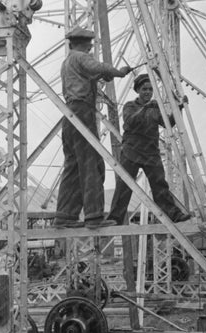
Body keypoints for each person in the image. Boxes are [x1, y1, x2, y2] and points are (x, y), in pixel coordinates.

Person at [53, 26, 131, 228]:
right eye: (89, 44)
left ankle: (65, 216)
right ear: (84, 44)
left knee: (73, 166)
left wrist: (100, 77)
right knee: (91, 163)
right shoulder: (80, 57)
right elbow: (98, 68)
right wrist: (118, 72)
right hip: (82, 112)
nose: (90, 48)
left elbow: (88, 76)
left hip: (70, 114)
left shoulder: (68, 62)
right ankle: (94, 216)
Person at [107, 74, 191, 225]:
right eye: (144, 89)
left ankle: (174, 214)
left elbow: (168, 123)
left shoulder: (154, 108)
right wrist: (146, 108)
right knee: (124, 186)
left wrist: (180, 107)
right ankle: (115, 218)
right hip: (131, 151)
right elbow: (131, 121)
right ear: (138, 90)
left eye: (150, 89)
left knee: (160, 185)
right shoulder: (130, 106)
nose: (148, 92)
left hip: (151, 152)